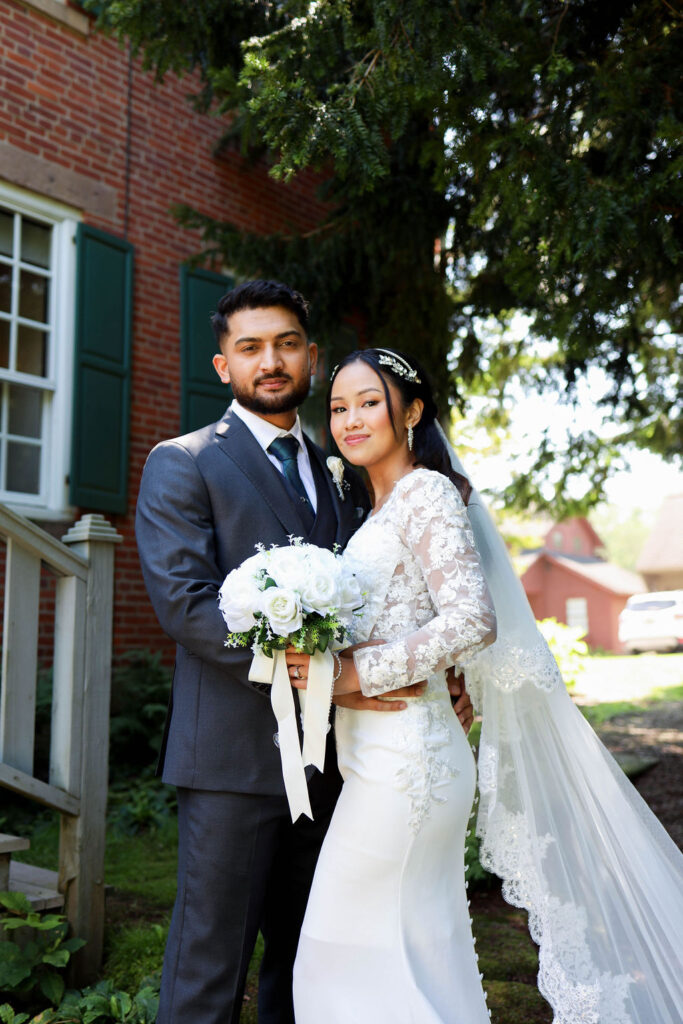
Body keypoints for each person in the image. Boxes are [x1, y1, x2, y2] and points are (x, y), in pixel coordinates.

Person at [289, 347, 683, 1024]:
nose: (350, 419)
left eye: (368, 402)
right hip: (374, 755)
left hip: (406, 763)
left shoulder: (426, 493)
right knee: (407, 950)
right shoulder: (372, 511)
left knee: (336, 951)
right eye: (337, 407)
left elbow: (473, 618)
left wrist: (357, 673)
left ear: (410, 412)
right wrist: (329, 673)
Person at [135, 282, 473, 1024]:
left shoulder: (343, 473)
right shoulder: (183, 462)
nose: (271, 361)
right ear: (222, 365)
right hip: (234, 761)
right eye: (250, 347)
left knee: (308, 962)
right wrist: (327, 681)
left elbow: (393, 593)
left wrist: (436, 670)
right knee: (208, 966)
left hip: (341, 765)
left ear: (311, 357)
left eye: (286, 343)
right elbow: (187, 605)